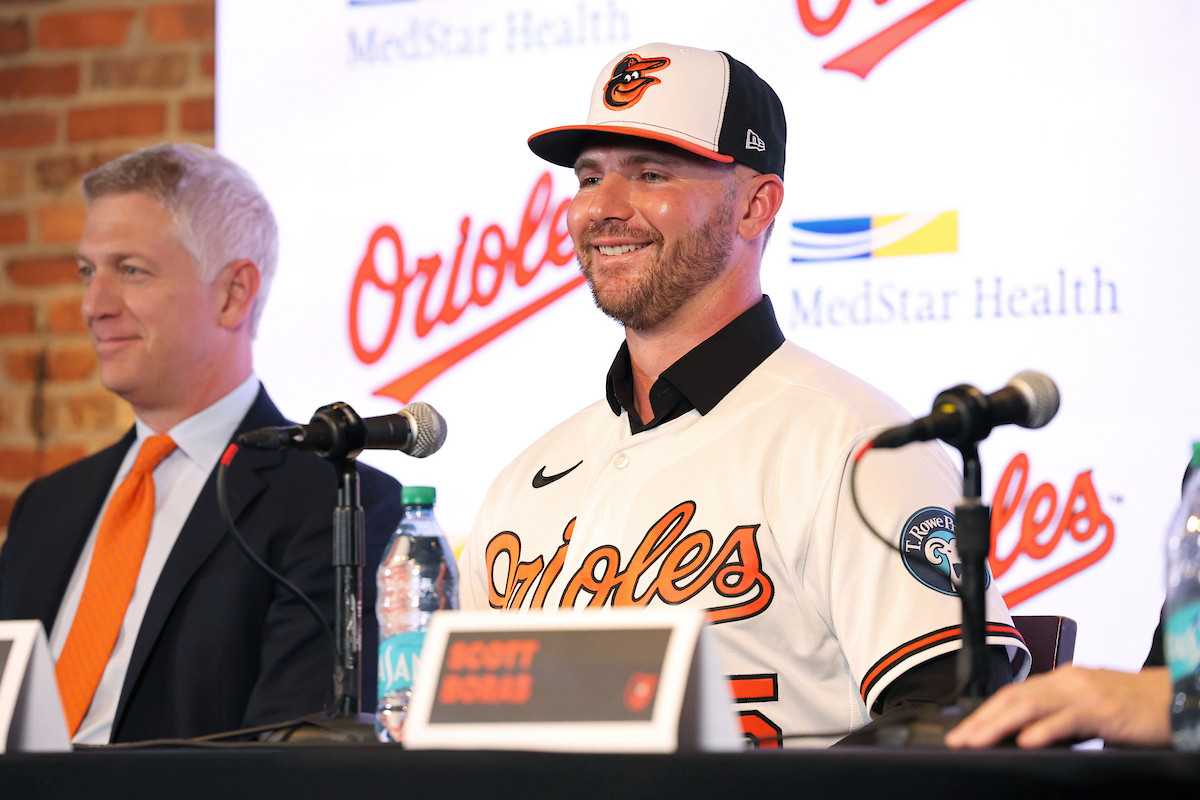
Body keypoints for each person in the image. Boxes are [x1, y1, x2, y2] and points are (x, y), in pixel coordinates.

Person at [457, 43, 1029, 747]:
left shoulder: (857, 445)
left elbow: (953, 720)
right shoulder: (523, 482)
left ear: (756, 205)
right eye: (588, 177)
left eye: (650, 173)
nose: (601, 209)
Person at [0, 143, 403, 745]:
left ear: (233, 294)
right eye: (88, 272)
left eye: (130, 270)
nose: (93, 306)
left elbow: (287, 758)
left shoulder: (336, 501)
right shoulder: (46, 506)